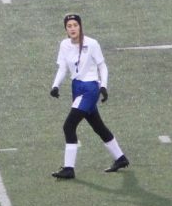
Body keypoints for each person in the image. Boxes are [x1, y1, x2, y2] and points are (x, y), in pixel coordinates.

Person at [49, 13, 129, 179]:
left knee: (68, 126)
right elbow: (63, 67)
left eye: (75, 25)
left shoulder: (92, 44)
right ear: (65, 28)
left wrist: (104, 86)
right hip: (77, 87)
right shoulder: (64, 45)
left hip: (90, 89)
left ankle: (69, 168)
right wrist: (55, 85)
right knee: (98, 126)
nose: (72, 28)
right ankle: (121, 158)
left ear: (80, 26)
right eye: (69, 26)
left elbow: (102, 66)